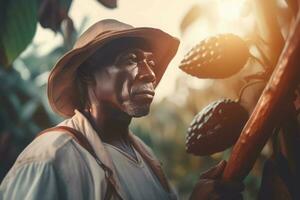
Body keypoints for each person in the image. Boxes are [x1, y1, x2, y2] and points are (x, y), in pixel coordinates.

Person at [0, 19, 244, 200]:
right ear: (87, 76)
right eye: (130, 59)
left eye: (150, 61)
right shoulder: (52, 158)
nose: (150, 73)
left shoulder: (145, 157)